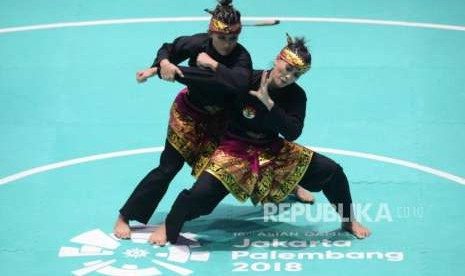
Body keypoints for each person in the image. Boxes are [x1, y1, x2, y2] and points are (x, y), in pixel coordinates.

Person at [149, 34, 372, 246]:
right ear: (278, 60)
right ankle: (170, 225)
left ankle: (348, 220)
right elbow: (207, 81)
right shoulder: (246, 81)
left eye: (296, 75)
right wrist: (164, 68)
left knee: (332, 172)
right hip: (233, 149)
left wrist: (269, 104)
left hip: (272, 149)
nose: (289, 77)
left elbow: (293, 132)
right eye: (288, 69)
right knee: (201, 195)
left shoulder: (296, 95)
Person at [113, 0, 253, 242]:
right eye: (222, 38)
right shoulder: (197, 42)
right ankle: (125, 216)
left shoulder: (241, 57)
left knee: (249, 159)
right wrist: (163, 65)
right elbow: (169, 49)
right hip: (188, 116)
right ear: (211, 33)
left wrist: (212, 64)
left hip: (221, 121)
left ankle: (289, 187)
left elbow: (239, 83)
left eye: (233, 39)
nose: (228, 44)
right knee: (168, 168)